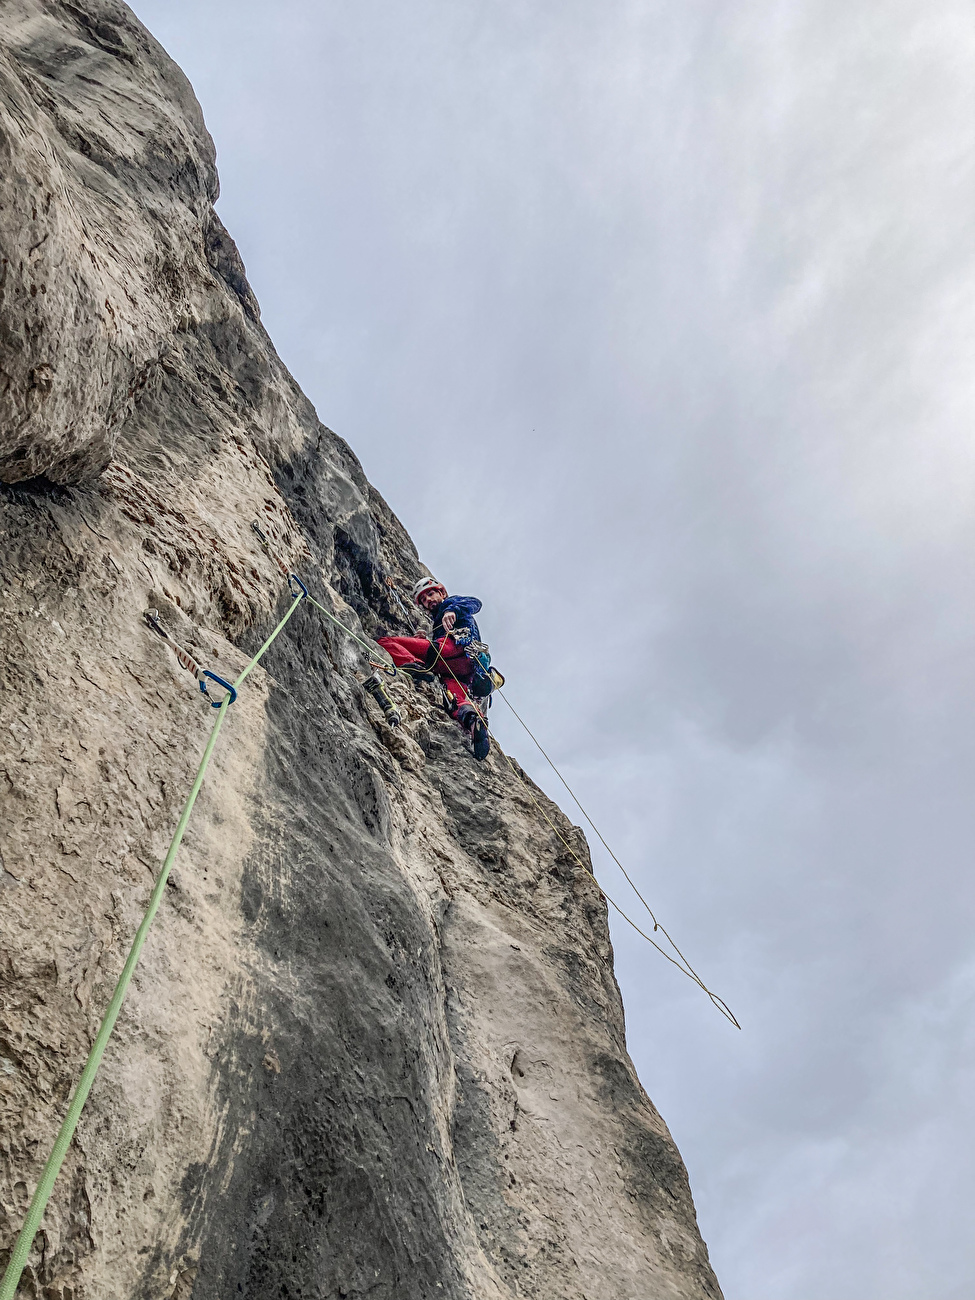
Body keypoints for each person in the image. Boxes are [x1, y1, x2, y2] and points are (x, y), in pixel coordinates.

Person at [377, 577, 491, 760]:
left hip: (455, 649)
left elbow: (475, 603)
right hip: (461, 670)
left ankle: (417, 667)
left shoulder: (452, 603)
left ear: (442, 592)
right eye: (423, 599)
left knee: (386, 642)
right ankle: (473, 722)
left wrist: (452, 611)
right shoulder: (437, 622)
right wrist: (424, 638)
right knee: (454, 700)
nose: (428, 600)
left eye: (430, 594)